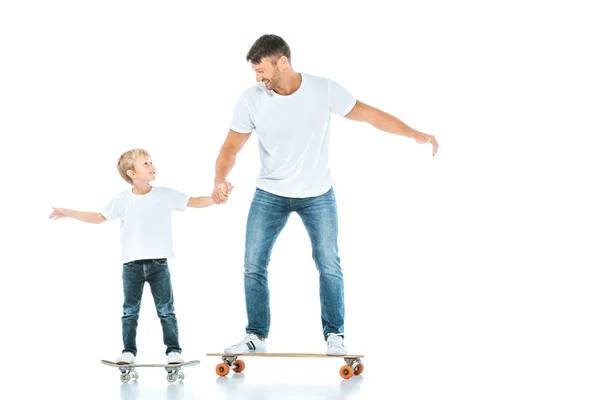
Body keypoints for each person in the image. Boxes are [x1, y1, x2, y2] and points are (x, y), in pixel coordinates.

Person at [212, 34, 439, 356]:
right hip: (269, 193)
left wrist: (413, 132)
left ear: (283, 62)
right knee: (253, 264)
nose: (259, 78)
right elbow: (229, 148)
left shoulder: (323, 90)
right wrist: (220, 178)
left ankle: (335, 335)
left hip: (317, 193)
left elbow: (371, 115)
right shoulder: (251, 99)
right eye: (255, 73)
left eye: (262, 70)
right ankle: (255, 336)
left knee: (329, 263)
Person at [49, 148, 230, 364]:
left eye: (151, 162)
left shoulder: (165, 194)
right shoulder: (122, 200)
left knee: (166, 310)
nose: (152, 166)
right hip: (131, 267)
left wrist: (215, 198)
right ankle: (128, 352)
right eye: (146, 164)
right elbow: (98, 217)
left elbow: (194, 201)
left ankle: (173, 351)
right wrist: (67, 212)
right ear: (132, 174)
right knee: (130, 312)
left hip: (159, 265)